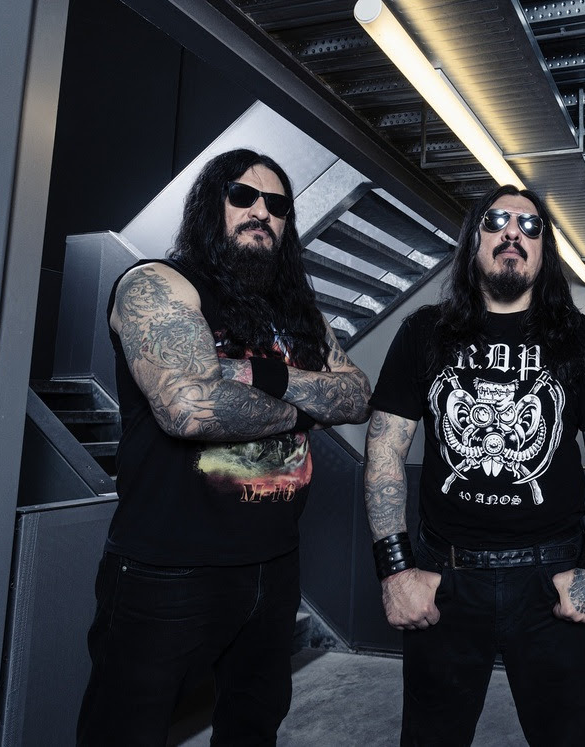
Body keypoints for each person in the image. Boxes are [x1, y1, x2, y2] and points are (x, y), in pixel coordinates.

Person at [77, 149, 373, 746]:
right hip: (169, 569)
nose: (262, 212)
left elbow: (358, 396)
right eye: (243, 196)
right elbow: (188, 408)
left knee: (252, 729)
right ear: (211, 205)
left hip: (274, 564)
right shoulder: (158, 285)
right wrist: (304, 408)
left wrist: (255, 375)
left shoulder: (299, 315)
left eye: (277, 205)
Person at [364, 184, 585, 747]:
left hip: (550, 576)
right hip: (446, 576)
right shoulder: (424, 331)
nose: (513, 232)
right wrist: (395, 569)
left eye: (530, 226)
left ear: (544, 249)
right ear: (473, 240)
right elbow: (384, 449)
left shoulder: (580, 338)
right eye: (497, 220)